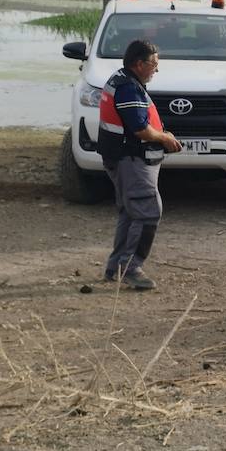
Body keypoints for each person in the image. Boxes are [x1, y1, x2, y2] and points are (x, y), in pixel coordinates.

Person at [97, 40, 182, 289]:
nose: (156, 69)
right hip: (131, 159)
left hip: (125, 158)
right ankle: (131, 268)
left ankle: (115, 267)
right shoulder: (127, 88)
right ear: (139, 64)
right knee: (148, 212)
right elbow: (140, 130)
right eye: (154, 64)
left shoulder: (125, 81)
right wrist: (165, 137)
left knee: (131, 212)